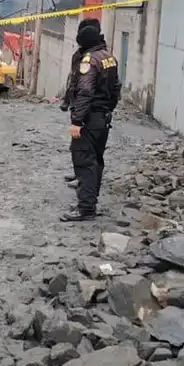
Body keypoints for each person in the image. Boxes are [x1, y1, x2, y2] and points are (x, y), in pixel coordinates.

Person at [61, 22, 119, 222]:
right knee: (96, 161)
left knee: (84, 161)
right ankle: (89, 202)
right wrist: (107, 110)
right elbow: (116, 89)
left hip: (89, 118)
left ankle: (85, 208)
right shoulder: (108, 57)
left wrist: (77, 121)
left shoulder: (89, 61)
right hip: (102, 119)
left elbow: (85, 91)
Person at [61, 18, 102, 186]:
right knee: (78, 148)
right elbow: (73, 79)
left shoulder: (91, 57)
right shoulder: (93, 54)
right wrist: (67, 100)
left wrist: (78, 118)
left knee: (85, 150)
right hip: (86, 108)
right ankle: (81, 176)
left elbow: (85, 88)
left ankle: (86, 188)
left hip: (87, 111)